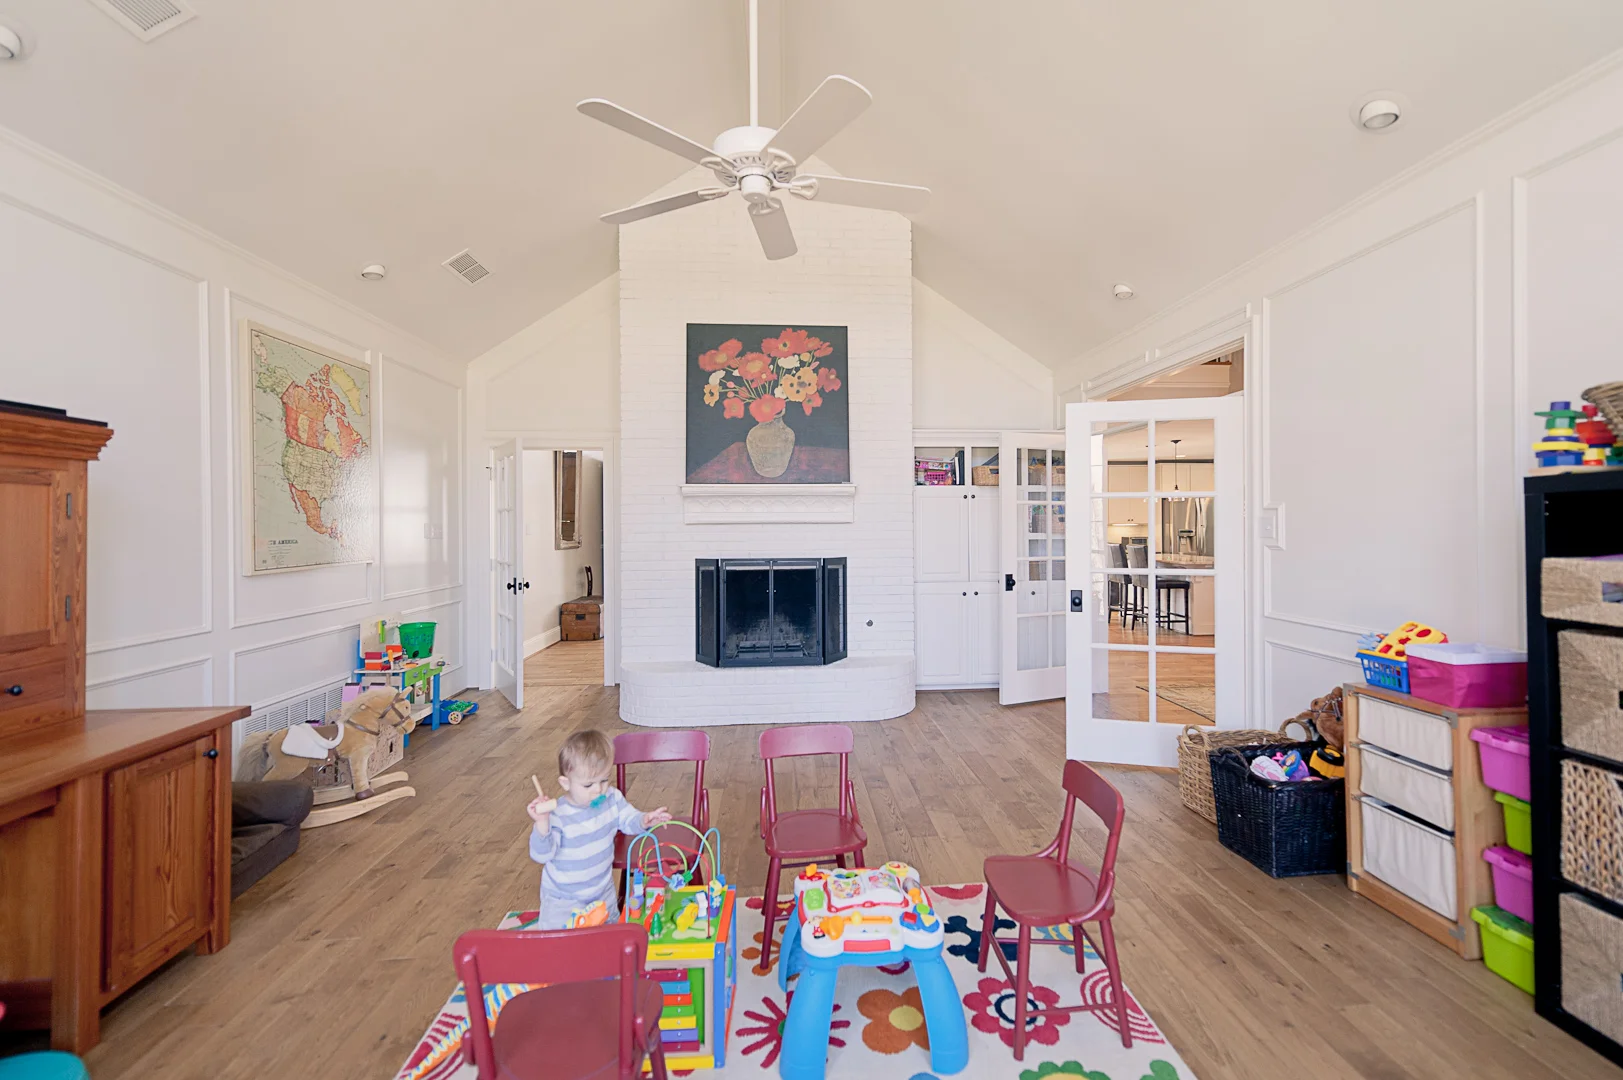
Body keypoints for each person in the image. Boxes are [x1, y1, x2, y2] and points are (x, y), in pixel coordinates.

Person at [528, 730, 671, 929]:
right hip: (563, 901)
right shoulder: (558, 814)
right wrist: (542, 824)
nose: (598, 790)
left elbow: (628, 818)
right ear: (566, 783)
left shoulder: (611, 799)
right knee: (561, 949)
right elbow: (541, 854)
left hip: (602, 892)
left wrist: (644, 820)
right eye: (588, 784)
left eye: (604, 780)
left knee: (607, 941)